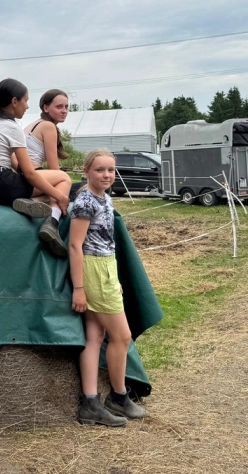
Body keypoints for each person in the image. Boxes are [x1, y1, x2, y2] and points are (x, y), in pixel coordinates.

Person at [69, 149, 147, 426]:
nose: (106, 175)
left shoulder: (104, 198)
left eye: (111, 170)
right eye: (100, 170)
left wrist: (114, 278)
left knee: (95, 335)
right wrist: (79, 288)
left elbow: (106, 242)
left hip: (104, 269)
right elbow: (76, 245)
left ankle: (90, 402)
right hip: (93, 271)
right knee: (122, 336)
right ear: (87, 171)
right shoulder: (86, 202)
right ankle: (118, 396)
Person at [0, 78, 72, 257]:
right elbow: (29, 172)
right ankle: (53, 223)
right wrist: (60, 197)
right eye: (25, 101)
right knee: (64, 178)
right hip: (2, 182)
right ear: (14, 101)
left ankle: (31, 203)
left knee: (44, 189)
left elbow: (13, 160)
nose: (27, 106)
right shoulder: (12, 127)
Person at [23, 89, 69, 170]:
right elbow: (53, 168)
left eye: (66, 107)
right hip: (34, 172)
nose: (64, 111)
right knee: (65, 179)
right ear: (46, 108)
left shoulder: (35, 124)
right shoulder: (48, 126)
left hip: (23, 171)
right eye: (59, 107)